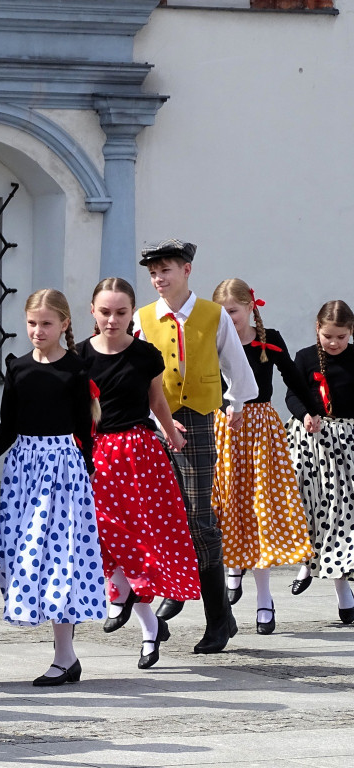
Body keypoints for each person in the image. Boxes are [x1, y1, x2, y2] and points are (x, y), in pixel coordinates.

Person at [133, 239, 258, 654]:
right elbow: (130, 372)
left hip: (199, 421)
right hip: (154, 423)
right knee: (162, 518)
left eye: (166, 270)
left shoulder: (213, 314)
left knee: (200, 520)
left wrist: (237, 403)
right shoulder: (143, 318)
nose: (159, 279)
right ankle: (175, 593)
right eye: (153, 272)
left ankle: (218, 619)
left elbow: (237, 367)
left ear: (186, 270)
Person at [78, 278, 200, 669]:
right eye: (105, 312)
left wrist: (169, 431)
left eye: (121, 312)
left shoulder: (146, 354)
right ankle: (137, 613)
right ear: (92, 311)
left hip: (138, 454)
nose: (112, 320)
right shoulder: (80, 356)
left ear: (132, 313)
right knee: (104, 532)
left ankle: (139, 618)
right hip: (96, 454)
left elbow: (157, 400)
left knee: (141, 537)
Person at [0, 288, 105, 686]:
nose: (38, 330)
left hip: (62, 471)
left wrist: (88, 472)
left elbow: (84, 430)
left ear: (64, 325)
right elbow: (8, 426)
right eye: (32, 323)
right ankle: (65, 656)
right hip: (23, 470)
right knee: (16, 551)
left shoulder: (75, 369)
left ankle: (64, 655)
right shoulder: (18, 368)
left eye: (47, 323)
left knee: (60, 558)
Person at [210, 279, 319, 635]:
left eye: (233, 313)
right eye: (222, 313)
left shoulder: (267, 338)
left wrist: (313, 409)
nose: (228, 319)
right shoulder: (212, 338)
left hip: (258, 428)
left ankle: (263, 599)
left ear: (249, 308)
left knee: (261, 509)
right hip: (224, 427)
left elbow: (292, 376)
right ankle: (232, 569)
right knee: (227, 504)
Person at [285, 300, 354, 623]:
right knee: (305, 505)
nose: (334, 343)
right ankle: (304, 563)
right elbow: (292, 394)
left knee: (339, 514)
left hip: (346, 443)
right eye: (328, 336)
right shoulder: (305, 358)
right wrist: (306, 414)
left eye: (341, 337)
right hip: (309, 442)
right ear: (317, 330)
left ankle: (343, 592)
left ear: (350, 332)